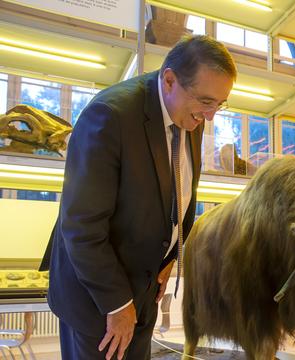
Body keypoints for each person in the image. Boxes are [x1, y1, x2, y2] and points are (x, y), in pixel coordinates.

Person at [39, 35, 237, 359]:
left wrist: (171, 255)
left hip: (143, 293)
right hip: (98, 303)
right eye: (205, 101)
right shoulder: (109, 117)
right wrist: (117, 304)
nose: (212, 115)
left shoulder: (192, 118)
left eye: (219, 103)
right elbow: (80, 227)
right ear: (170, 80)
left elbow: (178, 193)